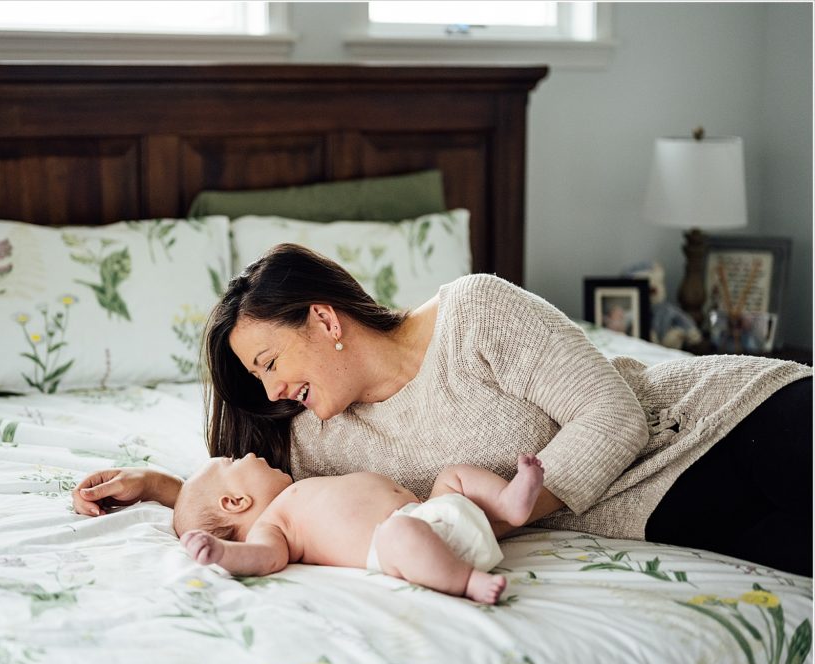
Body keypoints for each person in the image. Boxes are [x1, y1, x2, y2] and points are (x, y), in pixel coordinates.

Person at [73, 244, 813, 576]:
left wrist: (511, 510)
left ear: (325, 321)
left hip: (726, 416)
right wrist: (165, 486)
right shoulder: (321, 442)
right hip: (666, 508)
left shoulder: (475, 312)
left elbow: (613, 415)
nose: (270, 394)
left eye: (269, 363)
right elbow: (248, 495)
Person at [173, 452, 545, 604]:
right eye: (236, 461)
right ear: (235, 502)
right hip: (403, 548)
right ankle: (467, 582)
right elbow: (264, 559)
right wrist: (223, 553)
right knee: (398, 533)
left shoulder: (297, 491)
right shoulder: (271, 525)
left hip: (432, 513)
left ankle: (510, 503)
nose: (251, 454)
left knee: (452, 476)